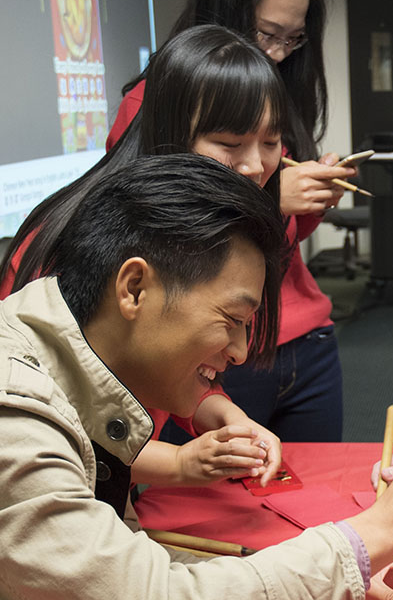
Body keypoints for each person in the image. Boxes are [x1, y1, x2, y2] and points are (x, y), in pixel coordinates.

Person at [0, 153, 393, 600]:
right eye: (232, 320)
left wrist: (334, 588)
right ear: (134, 288)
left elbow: (110, 566)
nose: (239, 351)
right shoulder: (12, 414)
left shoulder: (79, 372)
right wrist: (378, 532)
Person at [0, 25, 303, 490]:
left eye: (270, 143)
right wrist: (177, 464)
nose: (255, 167)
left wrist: (216, 408)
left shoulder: (210, 224)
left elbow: (145, 358)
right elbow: (49, 423)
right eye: (229, 143)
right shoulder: (73, 242)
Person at [111, 0, 350, 444]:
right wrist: (270, 198)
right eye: (267, 34)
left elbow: (280, 242)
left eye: (293, 39)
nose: (278, 53)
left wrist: (310, 199)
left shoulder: (275, 92)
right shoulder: (156, 103)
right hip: (202, 350)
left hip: (298, 337)